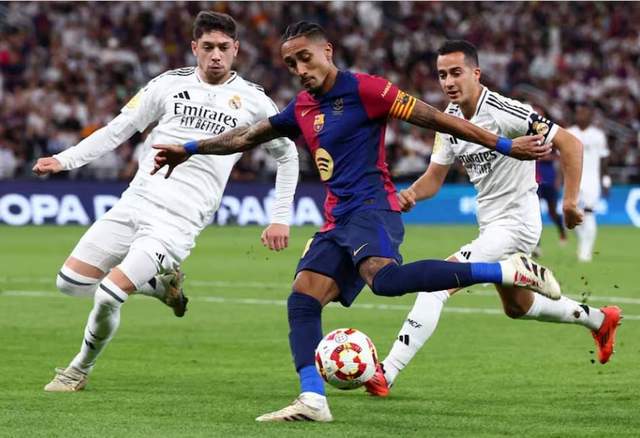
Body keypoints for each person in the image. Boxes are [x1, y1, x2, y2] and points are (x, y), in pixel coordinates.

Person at [152, 22, 561, 423]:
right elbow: (245, 136)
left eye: (305, 58)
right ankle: (313, 398)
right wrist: (190, 148)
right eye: (291, 64)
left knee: (384, 281)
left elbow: (436, 118)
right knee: (302, 298)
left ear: (327, 51)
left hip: (372, 208)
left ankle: (506, 271)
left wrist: (503, 143)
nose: (300, 70)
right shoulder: (302, 107)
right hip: (337, 219)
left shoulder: (368, 90)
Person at [32, 11, 299, 392]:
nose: (216, 55)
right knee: (70, 283)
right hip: (135, 202)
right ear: (194, 48)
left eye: (224, 47)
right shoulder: (167, 85)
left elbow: (288, 156)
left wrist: (280, 217)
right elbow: (119, 129)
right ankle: (158, 285)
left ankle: (77, 370)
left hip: (178, 220)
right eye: (208, 47)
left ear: (236, 49)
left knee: (109, 295)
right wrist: (65, 160)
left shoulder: (255, 101)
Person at [367, 40, 622, 397]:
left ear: (476, 73)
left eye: (456, 73)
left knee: (435, 285)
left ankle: (387, 371)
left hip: (516, 224)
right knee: (518, 307)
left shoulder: (507, 111)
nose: (449, 82)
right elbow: (434, 179)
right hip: (492, 225)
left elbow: (570, 143)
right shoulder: (448, 121)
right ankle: (599, 319)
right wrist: (410, 194)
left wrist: (570, 201)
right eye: (442, 75)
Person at [568, 103, 610, 262]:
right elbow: (562, 158)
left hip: (592, 180)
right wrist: (560, 177)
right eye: (579, 113)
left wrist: (606, 180)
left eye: (584, 113)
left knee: (589, 213)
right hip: (573, 179)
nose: (581, 116)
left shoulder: (598, 135)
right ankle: (582, 242)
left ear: (590, 116)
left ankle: (586, 252)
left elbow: (604, 159)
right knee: (571, 214)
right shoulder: (569, 133)